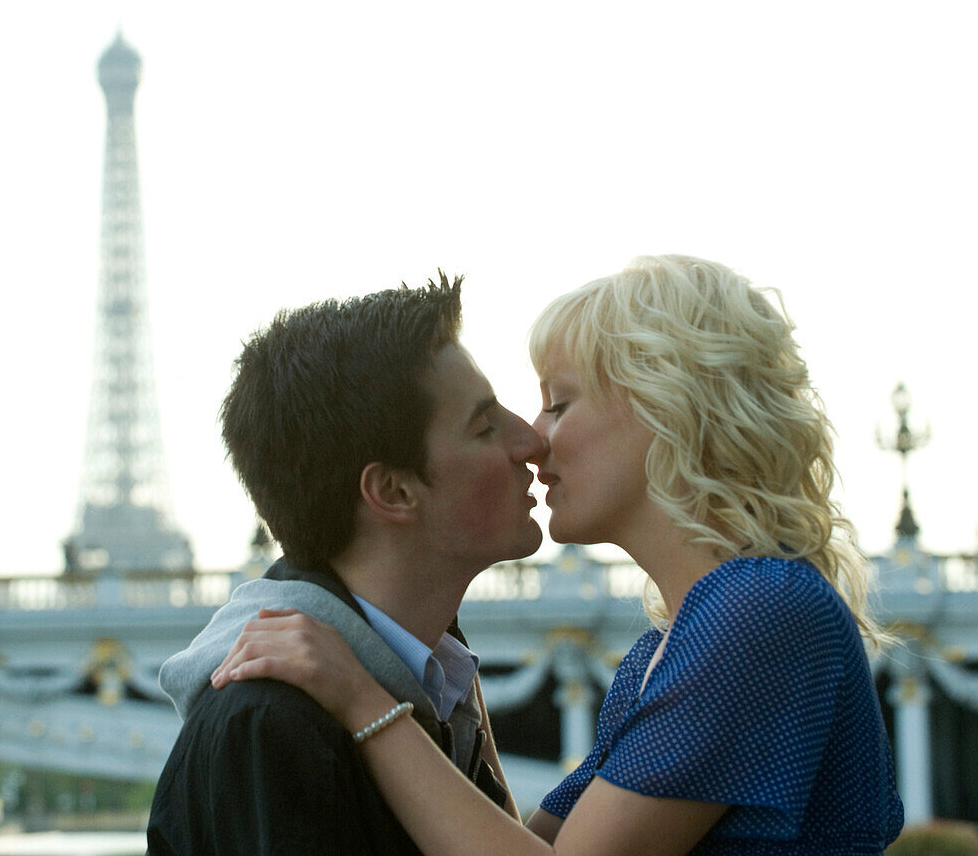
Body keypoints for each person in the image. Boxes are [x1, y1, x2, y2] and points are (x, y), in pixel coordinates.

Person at [215, 255, 905, 855]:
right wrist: (452, 695)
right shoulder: (665, 651)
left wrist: (361, 696)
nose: (534, 439)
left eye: (559, 405)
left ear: (668, 412)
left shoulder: (760, 610)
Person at [145, 275, 545, 855]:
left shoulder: (435, 677)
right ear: (393, 491)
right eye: (485, 427)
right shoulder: (268, 726)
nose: (530, 440)